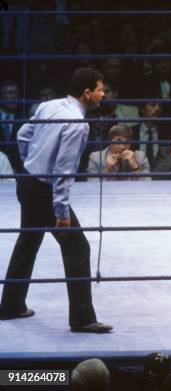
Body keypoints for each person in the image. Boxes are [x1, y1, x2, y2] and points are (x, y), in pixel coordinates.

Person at [0, 68, 112, 333]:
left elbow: (23, 135)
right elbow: (64, 169)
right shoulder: (76, 123)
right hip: (44, 191)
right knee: (78, 247)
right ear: (87, 93)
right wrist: (61, 210)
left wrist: (33, 161)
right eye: (100, 88)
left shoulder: (48, 106)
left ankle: (10, 306)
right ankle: (83, 319)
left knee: (28, 241)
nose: (103, 93)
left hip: (26, 181)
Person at [87, 124, 151, 181]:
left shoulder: (141, 157)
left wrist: (135, 167)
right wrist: (107, 170)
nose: (122, 147)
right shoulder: (95, 158)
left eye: (127, 142)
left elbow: (148, 185)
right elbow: (92, 186)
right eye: (118, 140)